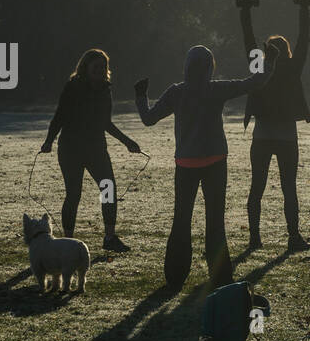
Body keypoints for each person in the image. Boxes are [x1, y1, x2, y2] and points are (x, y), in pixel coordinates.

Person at [136, 45, 271, 291]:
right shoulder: (216, 88)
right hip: (215, 162)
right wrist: (268, 60)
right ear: (210, 67)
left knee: (181, 219)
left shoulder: (177, 92)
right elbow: (254, 82)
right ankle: (220, 277)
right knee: (215, 221)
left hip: (186, 163)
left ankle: (175, 276)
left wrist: (140, 96)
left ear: (186, 67)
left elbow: (149, 119)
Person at [40, 48, 141, 253]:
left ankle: (110, 237)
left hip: (96, 149)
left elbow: (106, 123)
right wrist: (49, 141)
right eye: (96, 67)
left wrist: (127, 141)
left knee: (108, 190)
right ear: (86, 68)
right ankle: (68, 241)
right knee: (73, 195)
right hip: (71, 149)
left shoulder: (106, 89)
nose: (100, 70)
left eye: (103, 67)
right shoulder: (73, 87)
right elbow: (59, 116)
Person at [237, 0, 310, 252]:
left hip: (262, 134)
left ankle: (255, 238)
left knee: (256, 187)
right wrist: (304, 8)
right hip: (286, 136)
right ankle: (293, 237)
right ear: (287, 52)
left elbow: (248, 39)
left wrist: (245, 10)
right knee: (288, 188)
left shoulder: (260, 67)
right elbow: (305, 40)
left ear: (267, 52)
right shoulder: (293, 68)